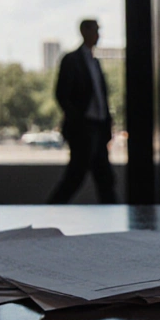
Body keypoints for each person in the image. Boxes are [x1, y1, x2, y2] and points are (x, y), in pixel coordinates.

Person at [47, 19, 117, 204]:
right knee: (77, 175)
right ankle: (51, 209)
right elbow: (62, 94)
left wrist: (106, 124)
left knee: (103, 177)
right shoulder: (71, 60)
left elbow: (100, 96)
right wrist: (78, 120)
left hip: (98, 128)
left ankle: (52, 209)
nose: (98, 35)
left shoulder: (94, 62)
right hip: (84, 128)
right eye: (95, 30)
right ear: (84, 32)